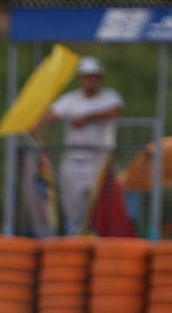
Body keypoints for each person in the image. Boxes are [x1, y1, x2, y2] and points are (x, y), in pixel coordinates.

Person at [39, 57, 123, 235]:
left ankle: (102, 240)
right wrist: (37, 122)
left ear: (100, 78)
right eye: (86, 77)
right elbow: (52, 114)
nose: (90, 80)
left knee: (101, 206)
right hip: (74, 161)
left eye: (94, 76)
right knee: (73, 206)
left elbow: (115, 111)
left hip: (99, 162)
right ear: (80, 78)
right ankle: (73, 240)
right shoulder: (70, 99)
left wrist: (86, 118)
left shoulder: (110, 96)